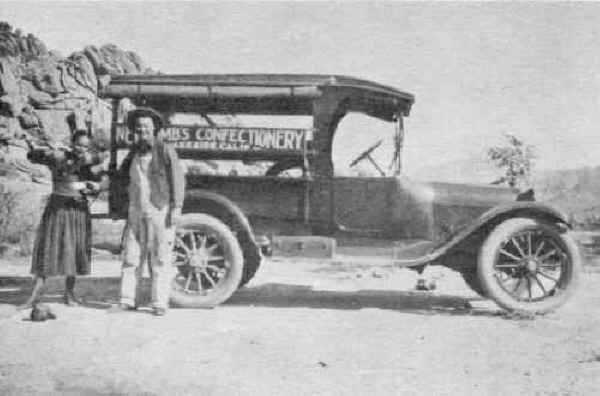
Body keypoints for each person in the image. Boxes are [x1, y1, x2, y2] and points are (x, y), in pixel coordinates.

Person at [112, 107, 185, 316]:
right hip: (136, 210)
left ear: (154, 129)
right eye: (139, 127)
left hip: (159, 210)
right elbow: (122, 178)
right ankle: (127, 299)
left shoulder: (165, 150)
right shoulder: (133, 152)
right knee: (131, 256)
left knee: (160, 257)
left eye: (146, 126)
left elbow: (177, 179)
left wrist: (176, 207)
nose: (142, 130)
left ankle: (159, 303)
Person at [22, 129, 106, 308]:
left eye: (85, 146)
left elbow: (101, 161)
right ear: (71, 143)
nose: (81, 148)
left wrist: (91, 187)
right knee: (48, 249)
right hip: (57, 208)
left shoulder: (87, 161)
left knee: (74, 250)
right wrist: (46, 150)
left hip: (77, 210)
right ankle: (35, 296)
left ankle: (69, 294)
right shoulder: (58, 157)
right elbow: (32, 156)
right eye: (78, 144)